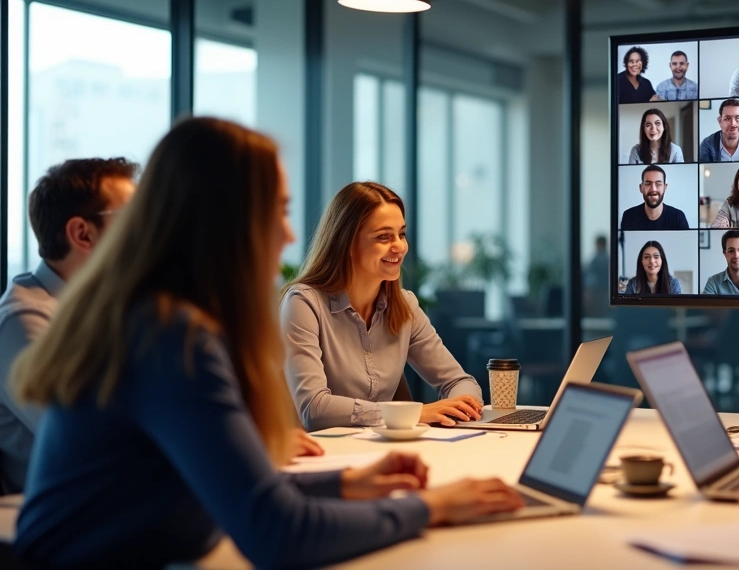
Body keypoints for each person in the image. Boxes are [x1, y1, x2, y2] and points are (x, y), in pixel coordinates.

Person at [10, 118, 524, 568]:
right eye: (276, 210)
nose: (287, 233)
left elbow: (223, 486)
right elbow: (277, 533)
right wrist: (432, 506)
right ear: (223, 221)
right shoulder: (169, 337)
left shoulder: (159, 320)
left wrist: (343, 484)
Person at [283, 182, 485, 431]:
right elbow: (314, 409)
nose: (400, 246)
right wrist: (412, 413)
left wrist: (463, 404)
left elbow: (459, 381)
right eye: (383, 237)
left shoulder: (404, 305)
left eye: (401, 233)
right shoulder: (304, 303)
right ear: (346, 243)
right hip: (324, 458)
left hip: (384, 453)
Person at [0, 158, 137, 494]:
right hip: (66, 519)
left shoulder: (98, 309)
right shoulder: (22, 320)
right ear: (82, 233)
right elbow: (92, 438)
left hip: (114, 500)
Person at [619, 165, 691, 230]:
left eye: (658, 184)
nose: (653, 189)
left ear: (665, 187)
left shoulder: (678, 217)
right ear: (641, 188)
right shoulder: (628, 216)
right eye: (648, 184)